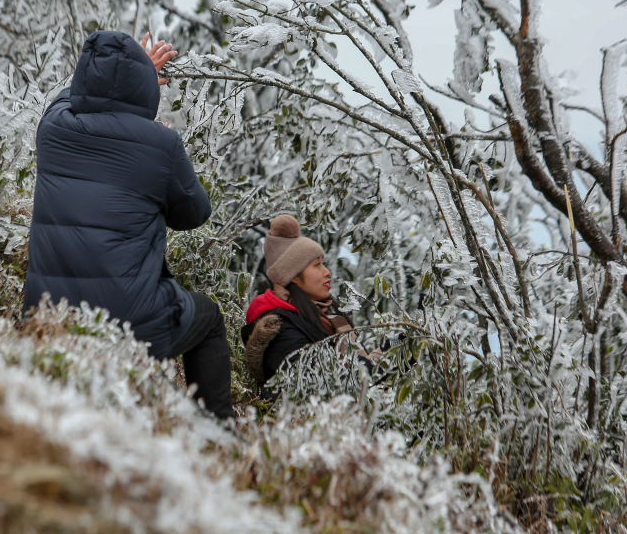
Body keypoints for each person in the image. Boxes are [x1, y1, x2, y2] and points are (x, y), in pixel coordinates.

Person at [23, 30, 234, 419]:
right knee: (209, 317)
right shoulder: (161, 145)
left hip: (47, 316)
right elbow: (195, 213)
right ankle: (219, 439)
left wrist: (128, 76)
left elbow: (69, 95)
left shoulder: (52, 127)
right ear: (144, 87)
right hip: (129, 323)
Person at [241, 215, 382, 388]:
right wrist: (385, 356)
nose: (327, 272)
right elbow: (329, 386)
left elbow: (358, 374)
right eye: (317, 265)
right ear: (292, 276)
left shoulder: (326, 315)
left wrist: (396, 349)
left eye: (324, 264)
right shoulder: (280, 332)